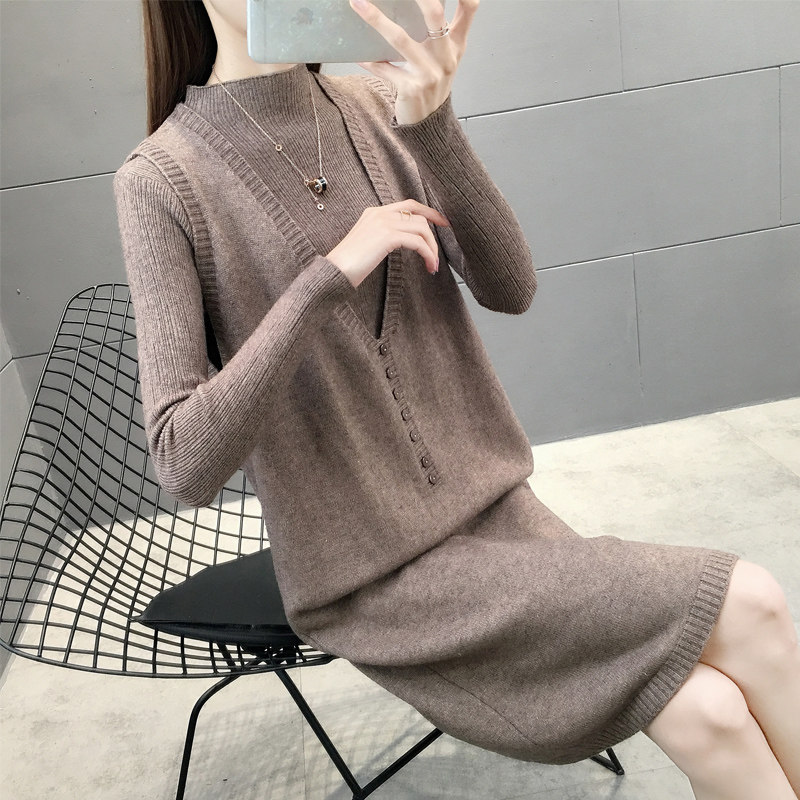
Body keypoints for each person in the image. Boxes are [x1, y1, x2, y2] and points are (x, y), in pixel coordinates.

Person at [113, 1, 800, 797]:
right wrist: (327, 278)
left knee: (710, 712)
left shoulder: (380, 105)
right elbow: (183, 462)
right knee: (750, 600)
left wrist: (433, 122)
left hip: (499, 516)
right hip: (373, 581)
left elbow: (512, 287)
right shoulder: (161, 180)